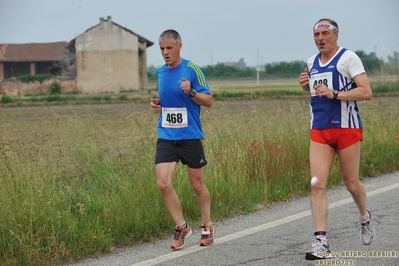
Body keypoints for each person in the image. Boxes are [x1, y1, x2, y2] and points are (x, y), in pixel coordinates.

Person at [298, 18, 375, 260]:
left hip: (347, 129)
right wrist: (304, 85)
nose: (320, 38)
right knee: (316, 184)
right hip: (319, 130)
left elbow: (366, 91)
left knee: (352, 185)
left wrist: (336, 94)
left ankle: (364, 216)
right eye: (316, 35)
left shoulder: (348, 58)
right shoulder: (311, 62)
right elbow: (315, 91)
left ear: (336, 35)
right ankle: (321, 242)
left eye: (324, 33)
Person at [150, 29, 214, 250]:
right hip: (166, 134)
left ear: (179, 46)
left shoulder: (192, 69)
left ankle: (207, 225)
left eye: (169, 48)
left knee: (197, 185)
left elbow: (208, 101)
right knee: (163, 183)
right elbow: (166, 100)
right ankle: (182, 226)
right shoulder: (159, 72)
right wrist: (158, 106)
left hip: (190, 136)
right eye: (161, 49)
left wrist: (191, 92)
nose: (165, 53)